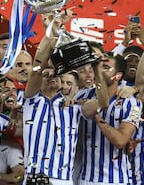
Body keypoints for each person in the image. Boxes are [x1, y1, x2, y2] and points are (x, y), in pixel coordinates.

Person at [23, 28, 105, 184]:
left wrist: (96, 69)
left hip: (64, 180)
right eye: (46, 75)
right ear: (39, 82)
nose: (51, 76)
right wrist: (52, 34)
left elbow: (102, 102)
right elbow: (36, 70)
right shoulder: (31, 101)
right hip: (34, 178)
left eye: (55, 74)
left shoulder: (74, 108)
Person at [78, 54, 142, 184]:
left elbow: (120, 141)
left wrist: (95, 114)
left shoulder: (131, 103)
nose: (99, 71)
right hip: (85, 178)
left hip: (115, 180)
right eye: (97, 67)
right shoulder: (82, 95)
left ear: (117, 76)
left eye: (105, 68)